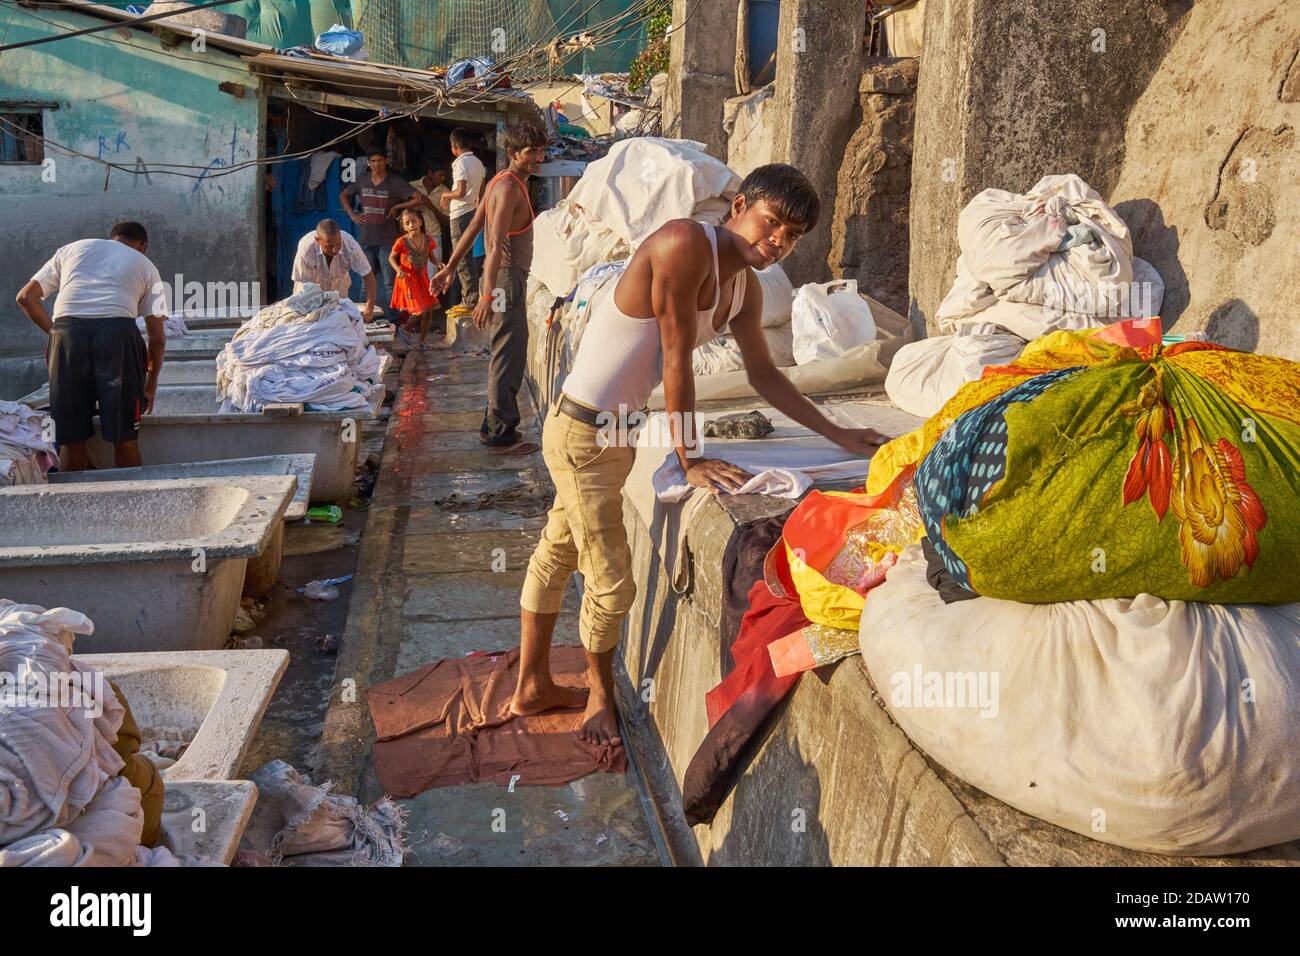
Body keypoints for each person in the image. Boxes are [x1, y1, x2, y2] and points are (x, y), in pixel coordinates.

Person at [504, 165, 889, 746]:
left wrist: (841, 435)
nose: (778, 240)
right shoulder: (683, 244)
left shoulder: (744, 289)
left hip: (615, 436)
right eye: (772, 221)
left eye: (792, 235)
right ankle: (601, 698)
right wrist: (689, 460)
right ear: (739, 205)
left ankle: (532, 684)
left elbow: (767, 376)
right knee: (611, 581)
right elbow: (676, 357)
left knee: (558, 549)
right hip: (582, 434)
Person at [14, 220, 168, 471]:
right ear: (143, 245)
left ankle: (69, 506)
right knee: (125, 439)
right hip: (117, 336)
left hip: (67, 334)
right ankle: (133, 504)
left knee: (71, 441)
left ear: (112, 238)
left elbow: (25, 297)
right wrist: (150, 387)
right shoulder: (146, 265)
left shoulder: (72, 249)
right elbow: (158, 339)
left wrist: (56, 335)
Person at [433, 122, 546, 453]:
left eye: (541, 151)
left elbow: (471, 228)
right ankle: (500, 434)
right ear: (513, 153)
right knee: (508, 354)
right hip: (505, 279)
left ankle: (493, 425)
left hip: (503, 279)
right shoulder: (508, 188)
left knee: (505, 352)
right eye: (531, 152)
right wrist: (484, 296)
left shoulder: (500, 182)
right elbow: (493, 245)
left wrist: (451, 267)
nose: (538, 158)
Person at [340, 148, 422, 311]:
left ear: (386, 162)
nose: (376, 164)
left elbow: (417, 198)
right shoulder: (362, 179)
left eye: (379, 160)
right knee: (366, 282)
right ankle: (364, 318)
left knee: (388, 282)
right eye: (373, 161)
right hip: (366, 239)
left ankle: (392, 319)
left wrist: (398, 206)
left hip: (387, 240)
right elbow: (343, 195)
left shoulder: (395, 181)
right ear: (369, 163)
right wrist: (353, 215)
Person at [438, 128, 486, 310]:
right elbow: (481, 195)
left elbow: (461, 191)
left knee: (461, 259)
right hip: (473, 212)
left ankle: (470, 299)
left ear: (454, 146)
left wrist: (445, 195)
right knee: (468, 256)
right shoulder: (479, 164)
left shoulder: (460, 163)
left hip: (460, 215)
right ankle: (471, 297)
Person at [290, 219, 377, 318]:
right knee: (307, 321)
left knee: (340, 321)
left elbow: (369, 278)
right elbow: (306, 288)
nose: (335, 249)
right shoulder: (306, 249)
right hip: (310, 291)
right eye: (329, 246)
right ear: (318, 240)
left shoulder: (351, 246)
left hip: (339, 287)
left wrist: (369, 310)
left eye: (338, 244)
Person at [389, 208, 442, 350]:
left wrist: (438, 263)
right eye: (407, 223)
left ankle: (422, 341)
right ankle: (405, 329)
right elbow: (391, 258)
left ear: (420, 222)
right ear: (403, 226)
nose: (411, 225)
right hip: (407, 279)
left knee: (429, 310)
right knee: (421, 310)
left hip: (423, 278)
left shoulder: (428, 239)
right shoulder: (401, 241)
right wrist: (398, 269)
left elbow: (430, 255)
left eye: (414, 221)